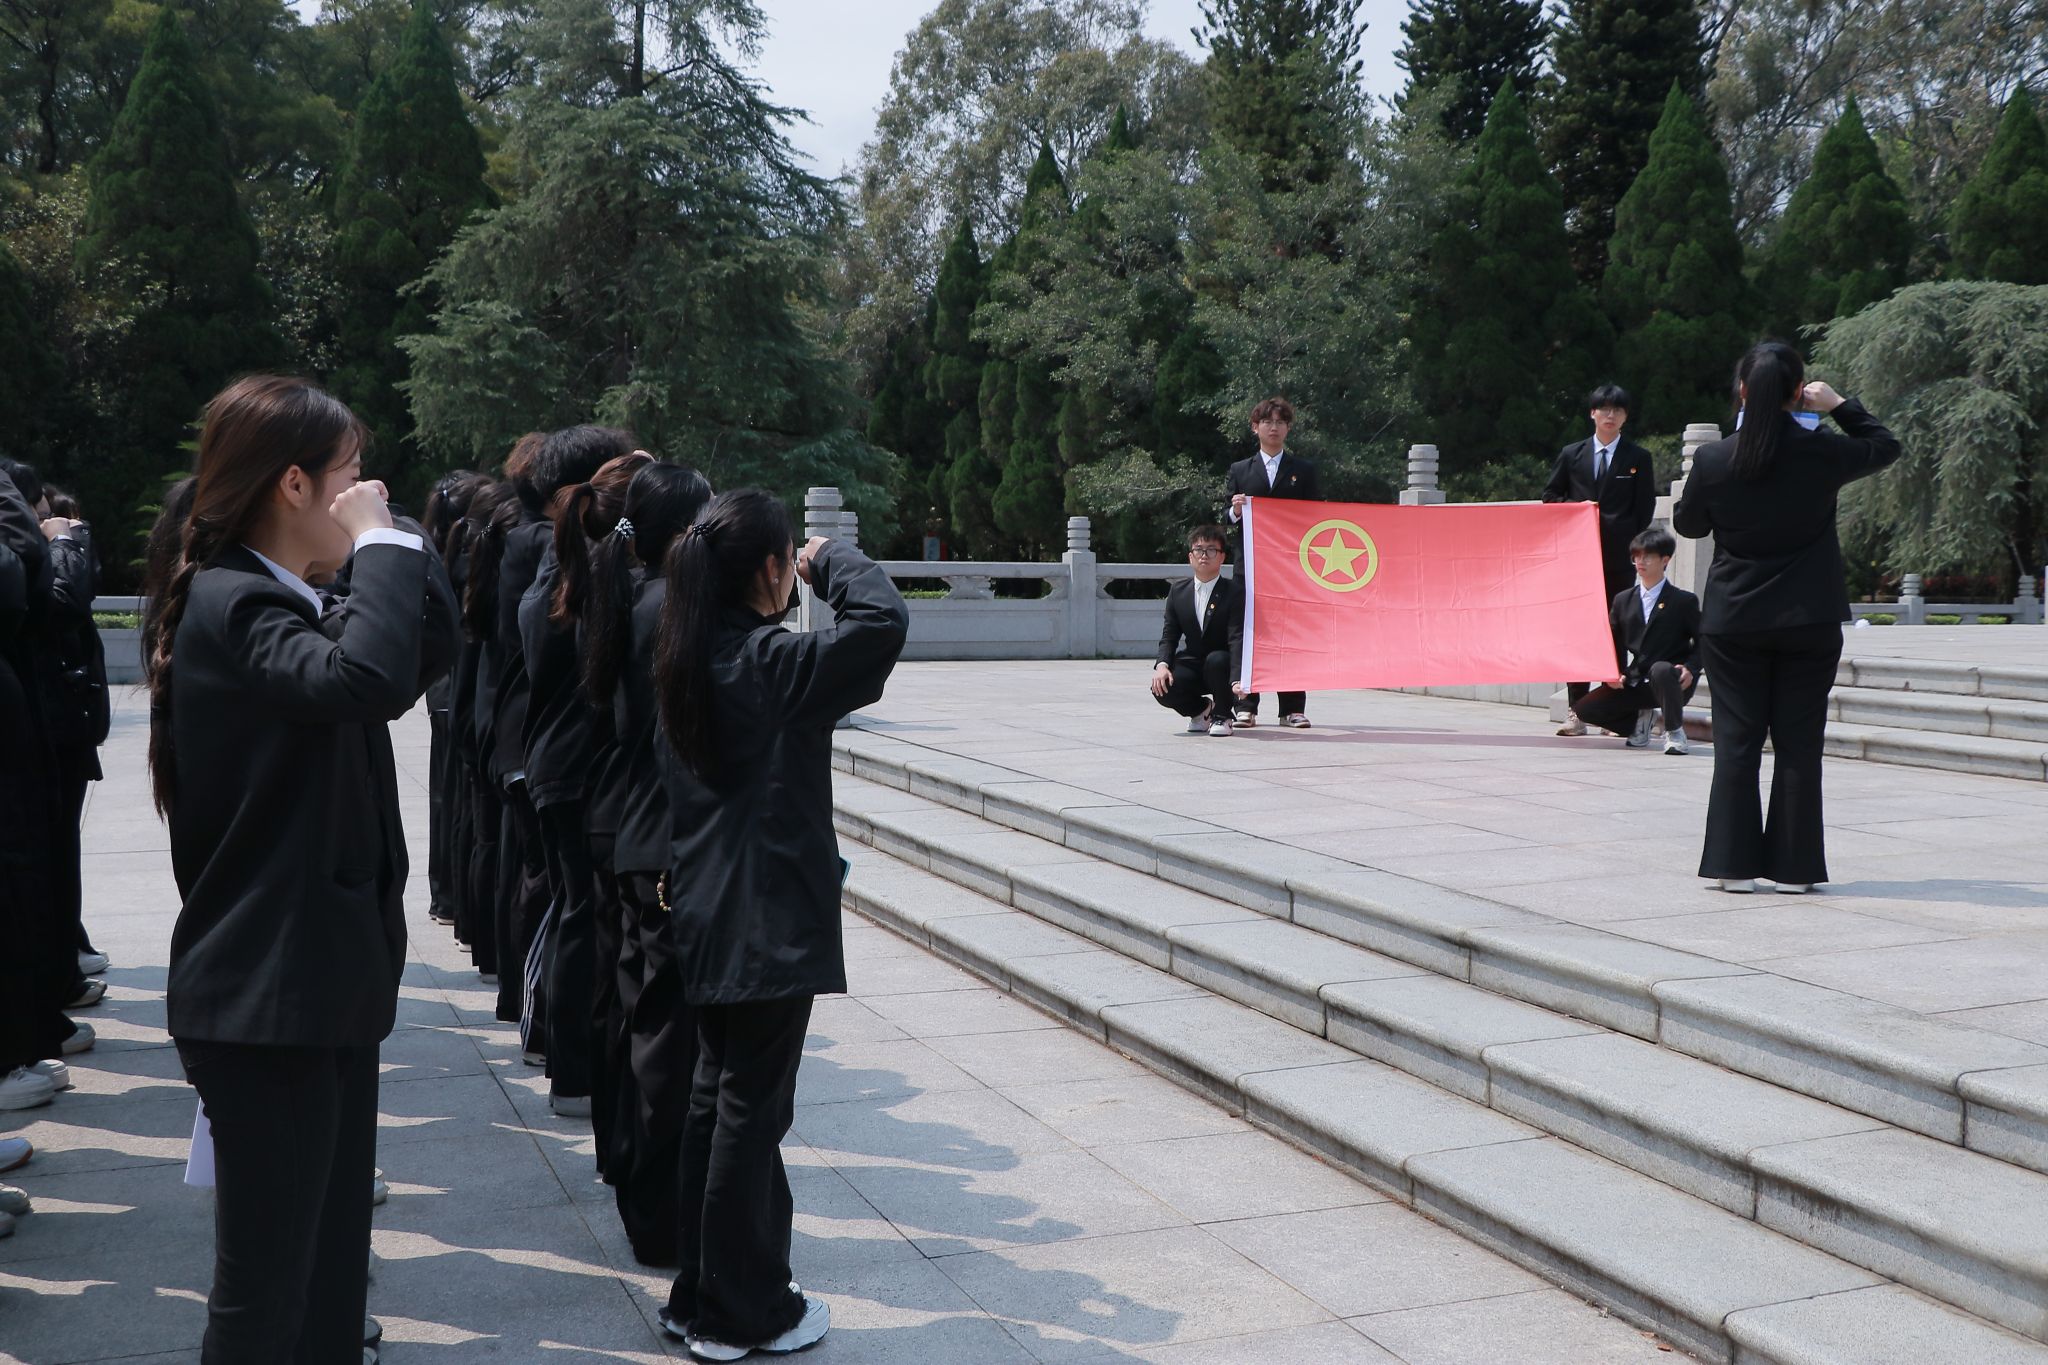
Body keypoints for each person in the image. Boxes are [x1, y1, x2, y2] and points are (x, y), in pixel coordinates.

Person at [147, 374, 458, 1361]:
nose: (367, 491)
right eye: (351, 474)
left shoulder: (290, 598)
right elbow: (364, 677)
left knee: (326, 1273)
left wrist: (391, 541)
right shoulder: (235, 601)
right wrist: (380, 548)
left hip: (318, 984)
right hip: (267, 999)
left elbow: (419, 653)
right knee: (265, 1297)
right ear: (293, 484)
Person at [653, 490, 907, 1358]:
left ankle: (699, 1291)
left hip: (708, 905)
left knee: (715, 1100)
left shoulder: (687, 655)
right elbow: (882, 623)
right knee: (748, 1112)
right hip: (764, 919)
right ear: (770, 567)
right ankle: (738, 1310)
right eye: (787, 553)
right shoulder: (767, 662)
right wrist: (833, 561)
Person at [1674, 341, 1899, 893]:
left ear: (1742, 391)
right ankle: (1795, 871)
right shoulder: (1821, 450)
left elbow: (1689, 526)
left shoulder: (1714, 459)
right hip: (1809, 615)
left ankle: (1732, 867)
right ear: (1800, 392)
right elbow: (1884, 445)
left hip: (1735, 618)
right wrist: (1839, 404)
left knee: (1737, 743)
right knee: (1799, 744)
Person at [582, 459, 712, 1264]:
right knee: (667, 1040)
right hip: (664, 841)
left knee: (642, 1022)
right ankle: (662, 1214)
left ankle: (645, 1193)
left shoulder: (633, 596)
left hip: (634, 831)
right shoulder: (671, 607)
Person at [519, 429, 642, 1117]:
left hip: (556, 761)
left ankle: (564, 1063)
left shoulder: (563, 567)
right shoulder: (596, 574)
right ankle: (575, 1073)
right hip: (578, 767)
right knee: (585, 918)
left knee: (575, 913)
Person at [1545, 384, 1658, 735]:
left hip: (1617, 559)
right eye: (1604, 409)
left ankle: (1612, 713)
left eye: (1617, 410)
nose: (1610, 415)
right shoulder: (1572, 454)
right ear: (1592, 413)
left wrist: (1629, 544)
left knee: (1615, 630)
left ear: (1625, 416)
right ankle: (1577, 712)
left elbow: (1644, 509)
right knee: (1578, 631)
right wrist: (1578, 510)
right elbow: (1550, 496)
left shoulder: (1638, 457)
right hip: (1577, 559)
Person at [1224, 397, 1318, 729]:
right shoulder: (1240, 470)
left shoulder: (1303, 470)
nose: (1273, 427)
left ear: (1288, 428)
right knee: (1248, 632)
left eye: (1280, 422)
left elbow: (1315, 518)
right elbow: (1225, 517)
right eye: (1267, 422)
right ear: (1255, 428)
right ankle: (1245, 704)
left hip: (1290, 567)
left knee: (1290, 634)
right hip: (1250, 567)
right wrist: (1236, 510)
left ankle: (1292, 707)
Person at [1570, 526, 1702, 754]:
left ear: (1665, 560)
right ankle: (1639, 723)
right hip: (1636, 680)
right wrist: (1612, 672)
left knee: (1661, 669)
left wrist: (1691, 668)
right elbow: (1611, 642)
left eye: (1647, 556)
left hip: (1673, 681)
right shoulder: (1623, 600)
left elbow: (1704, 642)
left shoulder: (1683, 601)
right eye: (1636, 556)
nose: (1640, 561)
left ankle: (1674, 731)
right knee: (1585, 709)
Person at [1150, 524, 1243, 736]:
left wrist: (1238, 677)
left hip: (1223, 663)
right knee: (1162, 687)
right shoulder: (1178, 591)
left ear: (1222, 557)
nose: (1204, 555)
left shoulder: (1234, 591)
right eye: (1198, 550)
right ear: (1190, 556)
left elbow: (1236, 636)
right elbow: (1170, 634)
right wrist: (1162, 665)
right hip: (1193, 661)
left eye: (1211, 550)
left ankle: (1223, 715)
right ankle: (1202, 711)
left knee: (1217, 660)